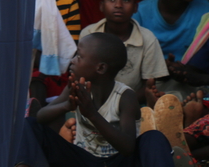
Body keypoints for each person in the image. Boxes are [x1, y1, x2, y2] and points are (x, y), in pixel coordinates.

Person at [15, 32, 174, 167]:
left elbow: (128, 148)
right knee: (29, 124)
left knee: (154, 138)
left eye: (79, 56)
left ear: (100, 68)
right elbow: (41, 118)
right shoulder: (76, 87)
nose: (72, 60)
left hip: (119, 162)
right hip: (84, 160)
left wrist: (92, 114)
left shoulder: (125, 96)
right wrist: (67, 105)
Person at [79, 0, 168, 100]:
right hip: (93, 100)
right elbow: (81, 76)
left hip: (133, 101)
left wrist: (122, 103)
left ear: (135, 7)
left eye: (126, 0)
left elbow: (150, 84)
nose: (118, 5)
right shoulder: (89, 34)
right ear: (101, 6)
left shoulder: (147, 38)